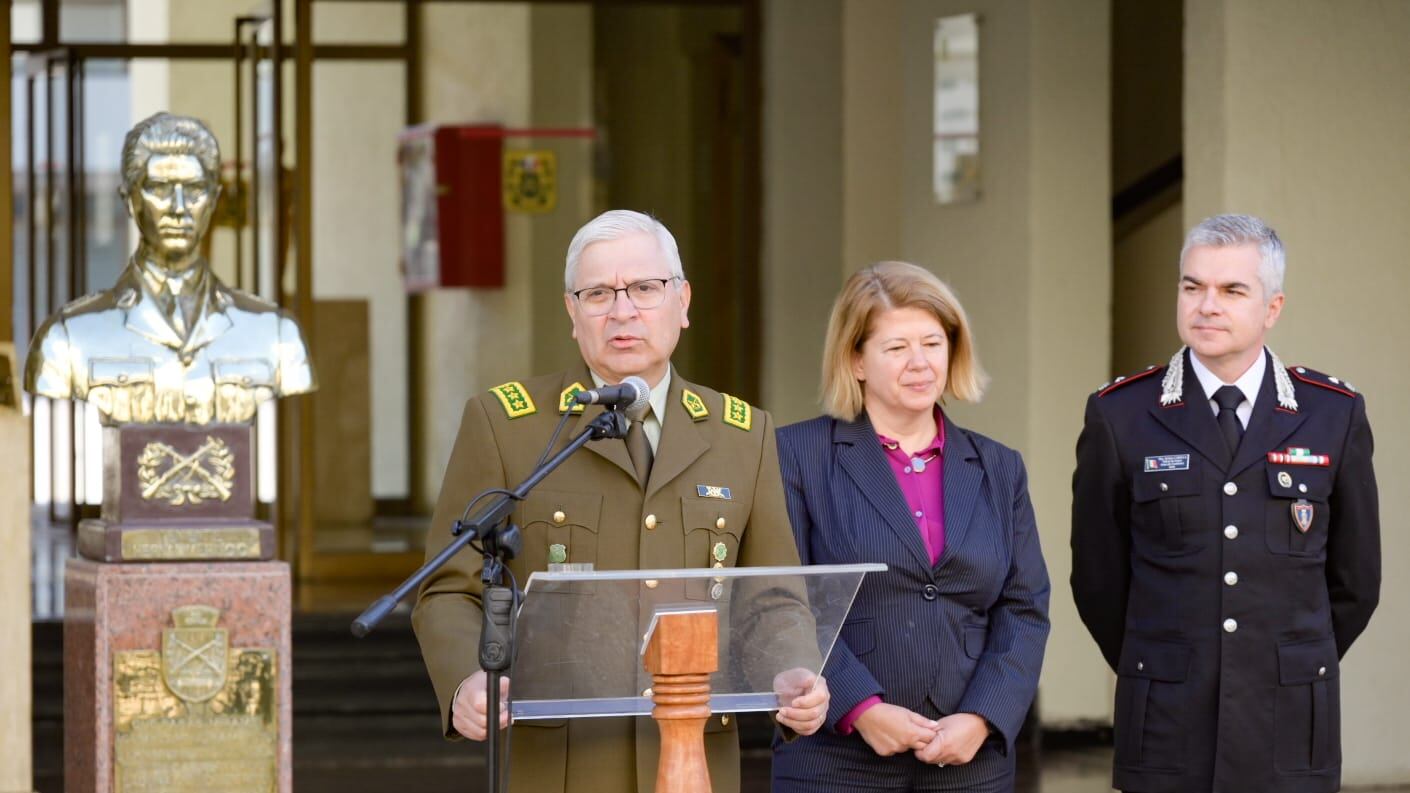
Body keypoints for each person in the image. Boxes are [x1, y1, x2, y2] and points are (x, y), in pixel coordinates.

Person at [412, 210, 829, 793]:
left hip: (693, 757)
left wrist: (796, 670)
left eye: (644, 288)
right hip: (559, 764)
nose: (623, 310)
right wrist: (466, 681)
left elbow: (774, 597)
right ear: (572, 313)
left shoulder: (743, 435)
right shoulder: (508, 426)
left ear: (683, 302)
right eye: (599, 292)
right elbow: (450, 586)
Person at [1070, 214, 1380, 793]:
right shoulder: (1121, 415)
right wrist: (1160, 664)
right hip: (1166, 722)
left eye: (1231, 290)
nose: (1206, 304)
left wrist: (1282, 662)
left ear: (1273, 307)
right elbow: (1097, 580)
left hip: (1288, 723)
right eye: (1192, 286)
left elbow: (1356, 581)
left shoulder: (1333, 414)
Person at [772, 261, 1051, 793]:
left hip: (969, 756)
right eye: (896, 348)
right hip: (837, 757)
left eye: (932, 343)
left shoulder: (999, 466)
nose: (920, 363)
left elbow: (1025, 607)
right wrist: (861, 708)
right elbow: (786, 600)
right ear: (856, 360)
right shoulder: (797, 455)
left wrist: (983, 718)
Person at [24, 112, 313, 424]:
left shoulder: (277, 337)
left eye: (194, 189)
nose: (178, 207)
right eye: (160, 188)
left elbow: (295, 457)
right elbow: (51, 458)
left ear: (214, 200)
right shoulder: (68, 340)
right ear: (129, 199)